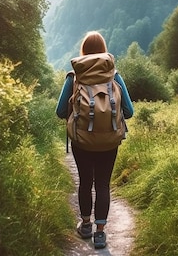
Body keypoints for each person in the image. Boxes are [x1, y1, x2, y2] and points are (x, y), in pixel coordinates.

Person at [55, 31, 134, 249]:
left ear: (83, 51)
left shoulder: (74, 77)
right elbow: (129, 111)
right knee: (102, 185)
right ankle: (100, 233)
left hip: (82, 141)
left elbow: (60, 111)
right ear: (104, 50)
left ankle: (86, 225)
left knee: (85, 182)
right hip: (110, 140)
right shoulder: (114, 76)